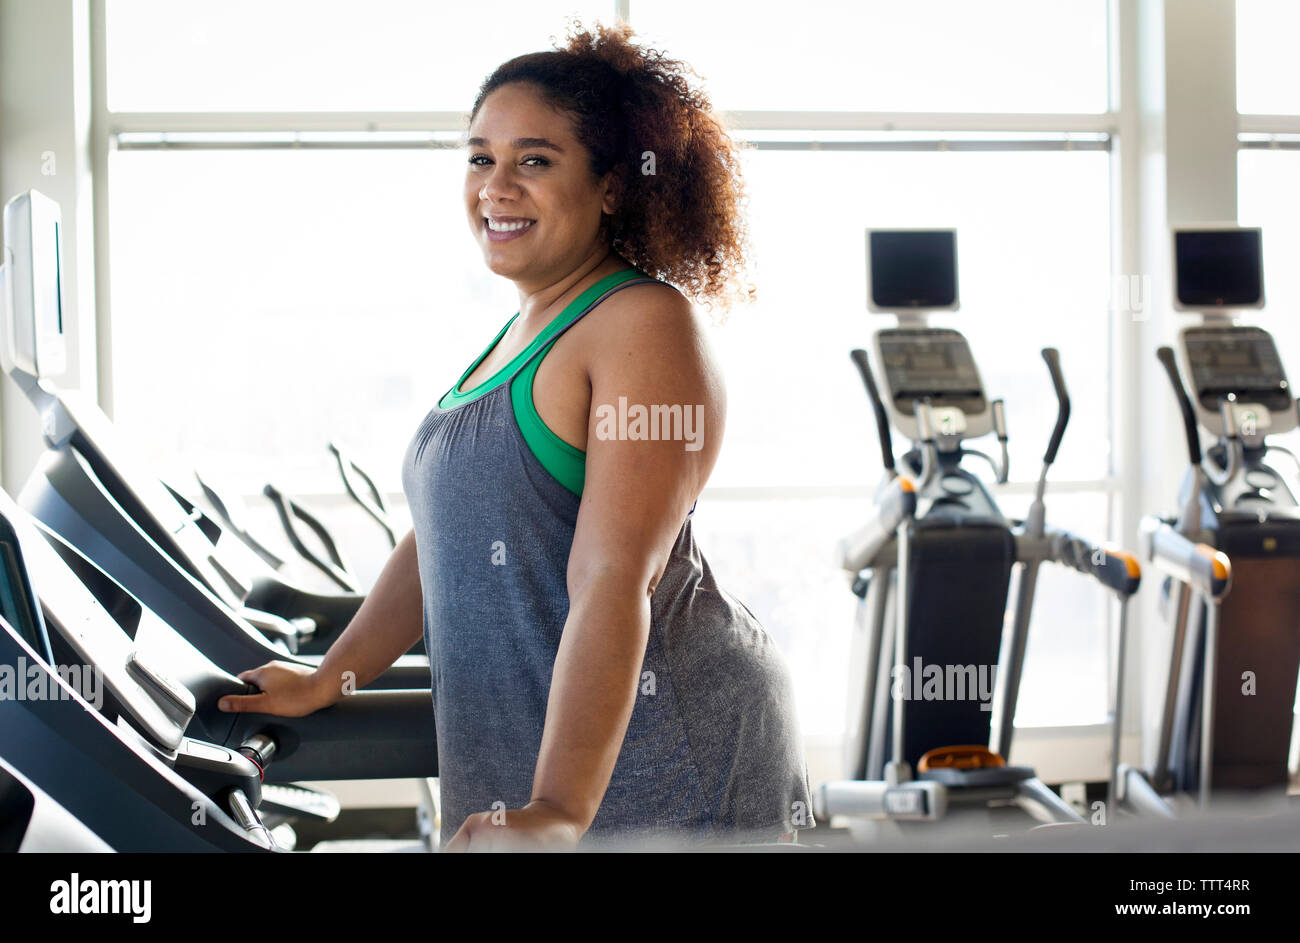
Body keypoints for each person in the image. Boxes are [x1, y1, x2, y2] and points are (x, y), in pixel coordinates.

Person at [219, 19, 813, 851]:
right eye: (479, 158)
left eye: (534, 160)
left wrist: (559, 808)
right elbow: (437, 544)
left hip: (663, 762)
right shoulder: (519, 334)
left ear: (611, 185)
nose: (496, 185)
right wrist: (330, 676)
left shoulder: (641, 322)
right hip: (534, 774)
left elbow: (613, 579)